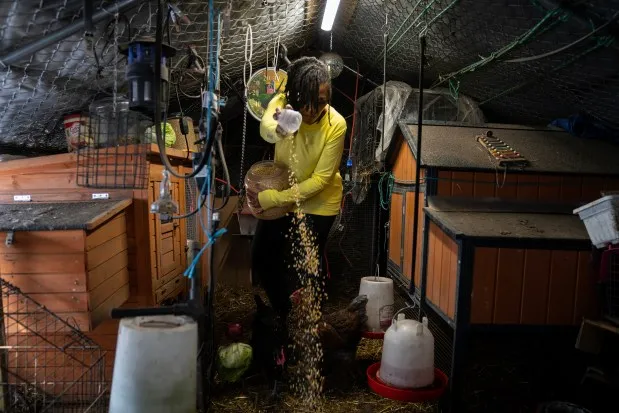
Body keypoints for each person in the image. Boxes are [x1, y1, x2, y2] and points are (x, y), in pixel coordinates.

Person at [248, 56, 347, 322]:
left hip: (318, 203)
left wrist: (275, 198)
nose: (313, 110)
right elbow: (265, 129)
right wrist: (282, 127)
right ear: (294, 94)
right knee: (262, 256)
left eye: (322, 102)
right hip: (284, 195)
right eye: (307, 101)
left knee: (305, 267)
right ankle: (284, 311)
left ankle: (310, 322)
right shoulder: (282, 104)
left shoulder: (336, 124)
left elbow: (320, 180)